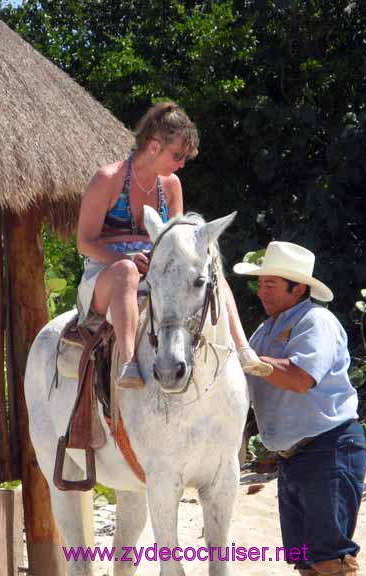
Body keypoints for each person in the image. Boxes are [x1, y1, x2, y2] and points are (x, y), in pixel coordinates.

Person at [76, 101, 272, 389]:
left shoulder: (171, 185)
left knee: (207, 268)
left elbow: (178, 245)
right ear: (154, 146)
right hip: (106, 276)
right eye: (178, 155)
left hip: (154, 273)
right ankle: (129, 363)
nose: (181, 164)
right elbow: (85, 243)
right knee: (126, 274)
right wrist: (128, 258)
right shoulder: (108, 179)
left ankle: (243, 349)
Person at [233, 241, 366, 576]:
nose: (261, 292)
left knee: (330, 559)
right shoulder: (266, 329)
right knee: (305, 561)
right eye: (260, 284)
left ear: (299, 289)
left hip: (328, 448)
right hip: (295, 457)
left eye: (271, 284)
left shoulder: (316, 320)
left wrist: (254, 362)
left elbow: (301, 378)